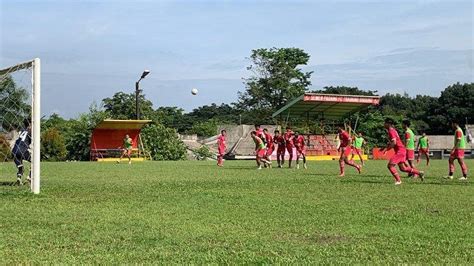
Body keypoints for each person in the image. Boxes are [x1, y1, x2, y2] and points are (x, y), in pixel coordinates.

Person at [382, 118, 424, 185]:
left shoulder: (391, 131)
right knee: (403, 168)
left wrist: (386, 150)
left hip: (400, 151)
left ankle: (398, 181)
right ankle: (419, 173)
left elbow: (394, 142)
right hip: (402, 150)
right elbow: (393, 142)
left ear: (388, 124)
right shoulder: (393, 130)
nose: (384, 124)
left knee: (390, 166)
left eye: (385, 123)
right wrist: (386, 147)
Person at [11, 120, 32, 185]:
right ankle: (30, 177)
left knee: (20, 167)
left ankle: (19, 179)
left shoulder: (22, 130)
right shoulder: (30, 131)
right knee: (34, 162)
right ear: (30, 124)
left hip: (14, 151)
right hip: (22, 150)